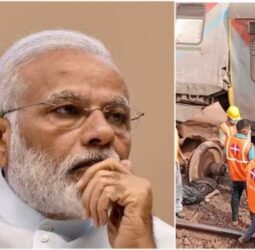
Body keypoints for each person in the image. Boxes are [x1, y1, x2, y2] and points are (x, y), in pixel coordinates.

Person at [0, 30, 173, 248]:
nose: (104, 132)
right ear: (3, 140)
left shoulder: (157, 241)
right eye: (67, 110)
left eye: (116, 115)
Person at [226, 119, 255, 225]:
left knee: (235, 196)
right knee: (251, 199)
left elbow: (226, 154)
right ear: (245, 131)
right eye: (249, 129)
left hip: (234, 175)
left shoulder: (229, 140)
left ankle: (234, 219)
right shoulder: (249, 145)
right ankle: (253, 222)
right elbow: (252, 164)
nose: (250, 131)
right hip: (246, 177)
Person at [175, 128, 185, 218]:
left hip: (175, 162)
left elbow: (176, 145)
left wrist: (182, 156)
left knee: (178, 186)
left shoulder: (175, 130)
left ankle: (178, 208)